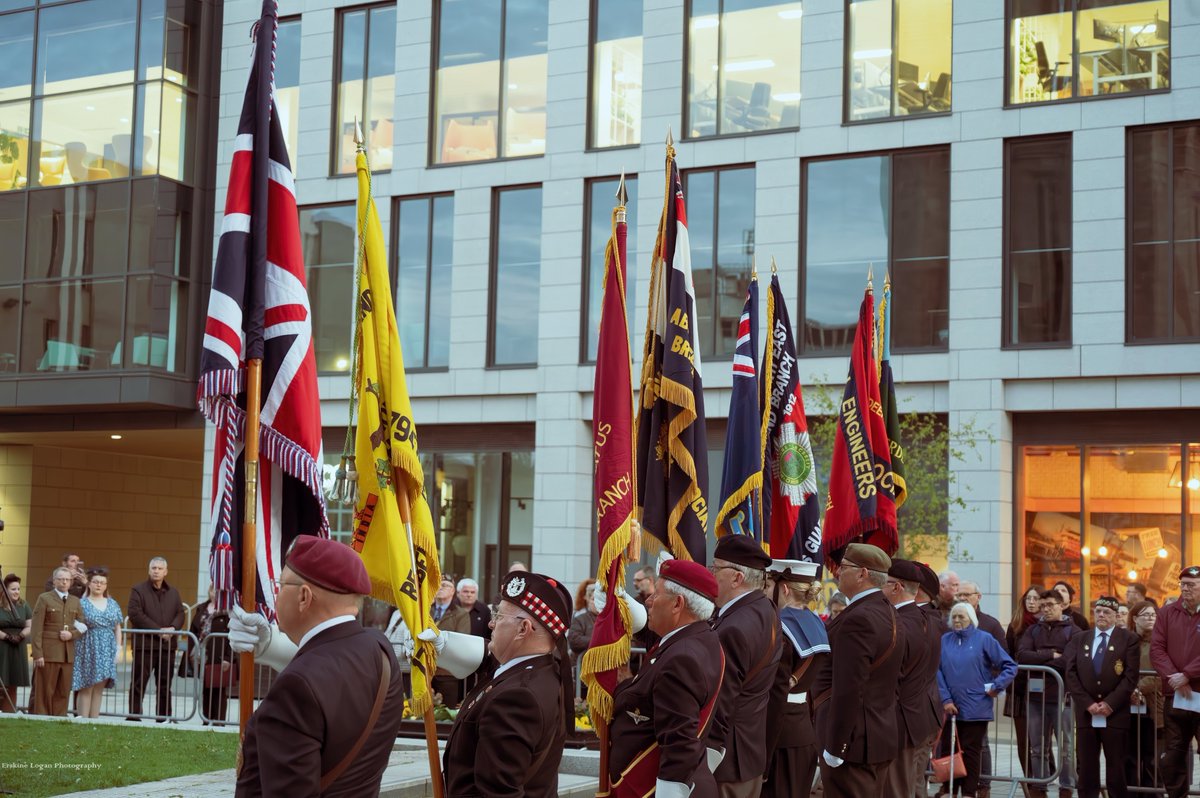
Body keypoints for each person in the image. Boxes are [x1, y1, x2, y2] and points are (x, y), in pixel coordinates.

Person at [230, 536, 405, 796]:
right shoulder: (379, 649)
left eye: (280, 585)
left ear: (304, 596)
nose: (276, 596)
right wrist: (269, 646)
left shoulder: (295, 688)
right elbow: (328, 664)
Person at [443, 570, 577, 796]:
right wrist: (445, 646)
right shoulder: (544, 670)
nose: (491, 624)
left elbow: (499, 792)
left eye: (499, 616)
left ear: (523, 628)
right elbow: (494, 664)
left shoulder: (516, 697)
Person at [608, 559, 726, 798]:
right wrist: (620, 603)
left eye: (656, 594)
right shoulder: (698, 638)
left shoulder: (682, 659)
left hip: (651, 788)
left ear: (677, 604)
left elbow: (679, 743)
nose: (649, 600)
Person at [812, 543, 904, 798]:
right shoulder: (886, 611)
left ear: (863, 573)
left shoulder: (859, 618)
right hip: (875, 735)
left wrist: (836, 745)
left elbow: (849, 688)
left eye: (844, 567)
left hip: (853, 743)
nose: (837, 572)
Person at [707, 534, 783, 797]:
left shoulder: (734, 626)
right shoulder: (766, 610)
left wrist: (706, 757)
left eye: (716, 568)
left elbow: (721, 700)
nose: (711, 574)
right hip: (749, 752)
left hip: (726, 759)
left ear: (737, 578)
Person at [762, 559, 829, 798]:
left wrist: (764, 757)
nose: (766, 592)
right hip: (803, 733)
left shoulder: (780, 628)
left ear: (785, 589)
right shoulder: (816, 622)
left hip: (779, 739)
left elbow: (776, 698)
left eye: (769, 586)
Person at [937, 602, 1018, 798]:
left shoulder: (984, 639)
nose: (957, 620)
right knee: (949, 751)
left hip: (976, 706)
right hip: (950, 706)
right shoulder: (944, 640)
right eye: (954, 616)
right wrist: (946, 699)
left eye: (961, 617)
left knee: (971, 752)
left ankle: (968, 792)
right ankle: (950, 790)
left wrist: (996, 686)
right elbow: (937, 671)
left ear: (971, 619)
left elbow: (1010, 666)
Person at [1063, 595, 1138, 798]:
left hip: (1115, 713)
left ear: (1115, 615)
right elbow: (1070, 673)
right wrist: (1087, 704)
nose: (1102, 615)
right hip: (1087, 714)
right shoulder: (1080, 638)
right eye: (1098, 611)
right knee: (1087, 767)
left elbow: (1130, 676)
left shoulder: (1128, 639)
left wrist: (1110, 703)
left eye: (1107, 612)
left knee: (1116, 766)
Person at [884, 559, 944, 798]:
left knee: (901, 786)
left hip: (907, 717)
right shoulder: (930, 620)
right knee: (914, 785)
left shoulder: (909, 623)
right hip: (922, 715)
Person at [1017, 588, 1078, 798]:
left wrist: (1040, 658)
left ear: (1062, 605)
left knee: (1066, 748)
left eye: (1050, 605)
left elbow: (1067, 661)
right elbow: (1022, 655)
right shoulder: (1033, 630)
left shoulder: (1074, 631)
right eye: (1042, 606)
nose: (1046, 609)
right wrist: (1050, 654)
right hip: (1035, 698)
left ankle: (1066, 787)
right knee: (1037, 747)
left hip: (1064, 698)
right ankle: (1039, 787)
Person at [1150, 564, 1200, 798]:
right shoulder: (1167, 613)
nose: (1185, 588)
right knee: (1172, 757)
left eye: (1191, 585)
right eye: (1183, 584)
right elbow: (1157, 650)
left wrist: (1187, 674)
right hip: (1175, 697)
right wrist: (1175, 678)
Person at [127, 556, 184, 720]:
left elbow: (180, 613)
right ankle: (134, 716)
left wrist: (172, 628)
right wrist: (159, 630)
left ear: (166, 571)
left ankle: (164, 717)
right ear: (149, 570)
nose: (156, 571)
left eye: (160, 568)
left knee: (165, 684)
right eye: (154, 568)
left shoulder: (173, 592)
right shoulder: (138, 589)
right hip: (144, 646)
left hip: (167, 647)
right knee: (138, 683)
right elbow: (135, 613)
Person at [30, 567, 84, 715]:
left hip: (67, 653)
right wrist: (37, 653)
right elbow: (36, 627)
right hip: (48, 652)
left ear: (71, 582)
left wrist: (72, 634)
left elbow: (82, 624)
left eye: (67, 579)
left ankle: (59, 717)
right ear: (54, 581)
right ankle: (41, 718)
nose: (64, 582)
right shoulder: (44, 598)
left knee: (63, 689)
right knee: (45, 689)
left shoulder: (75, 601)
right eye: (60, 579)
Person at [1004, 586, 1043, 787]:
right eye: (1028, 598)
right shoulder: (1016, 625)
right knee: (1023, 739)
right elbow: (1007, 653)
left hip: (1043, 689)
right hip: (1019, 688)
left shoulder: (1047, 625)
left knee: (1040, 738)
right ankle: (1029, 780)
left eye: (1036, 598)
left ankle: (1042, 777)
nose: (1032, 602)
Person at [72, 568, 123, 718]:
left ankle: (95, 720)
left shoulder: (112, 603)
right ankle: (82, 719)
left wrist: (118, 649)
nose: (99, 585)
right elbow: (71, 619)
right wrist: (77, 625)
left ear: (106, 585)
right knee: (87, 685)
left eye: (102, 583)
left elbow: (117, 627)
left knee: (99, 687)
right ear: (89, 584)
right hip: (88, 645)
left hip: (107, 647)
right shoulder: (81, 603)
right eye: (95, 582)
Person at [1126, 600, 1162, 790]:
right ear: (1135, 618)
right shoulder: (1126, 640)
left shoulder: (1162, 641)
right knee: (1130, 758)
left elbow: (1163, 673)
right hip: (1128, 705)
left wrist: (1138, 688)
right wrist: (1128, 690)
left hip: (1153, 706)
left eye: (1153, 614)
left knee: (1151, 760)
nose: (1150, 618)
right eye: (1146, 614)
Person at [189, 586, 236, 724]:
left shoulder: (228, 611)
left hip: (219, 654)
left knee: (219, 689)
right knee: (205, 688)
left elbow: (232, 636)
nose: (214, 594)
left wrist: (228, 658)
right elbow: (194, 630)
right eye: (212, 591)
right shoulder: (202, 608)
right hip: (202, 653)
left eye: (217, 591)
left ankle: (219, 721)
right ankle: (206, 719)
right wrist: (191, 652)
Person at [429, 577, 471, 707]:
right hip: (424, 671)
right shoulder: (424, 610)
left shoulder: (461, 614)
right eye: (438, 584)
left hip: (446, 673)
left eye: (445, 585)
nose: (440, 587)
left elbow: (460, 642)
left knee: (445, 715)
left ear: (453, 591)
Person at [0, 574, 33, 713]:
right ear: (4, 590)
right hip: (2, 645)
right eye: (13, 589)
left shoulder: (23, 605)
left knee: (13, 681)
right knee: (2, 680)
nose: (17, 592)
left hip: (17, 646)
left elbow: (29, 626)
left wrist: (20, 636)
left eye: (18, 589)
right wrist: (7, 637)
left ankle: (9, 711)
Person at [568, 580, 598, 694]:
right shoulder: (579, 619)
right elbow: (574, 640)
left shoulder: (612, 621)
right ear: (588, 600)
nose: (597, 603)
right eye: (594, 599)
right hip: (583, 676)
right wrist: (599, 642)